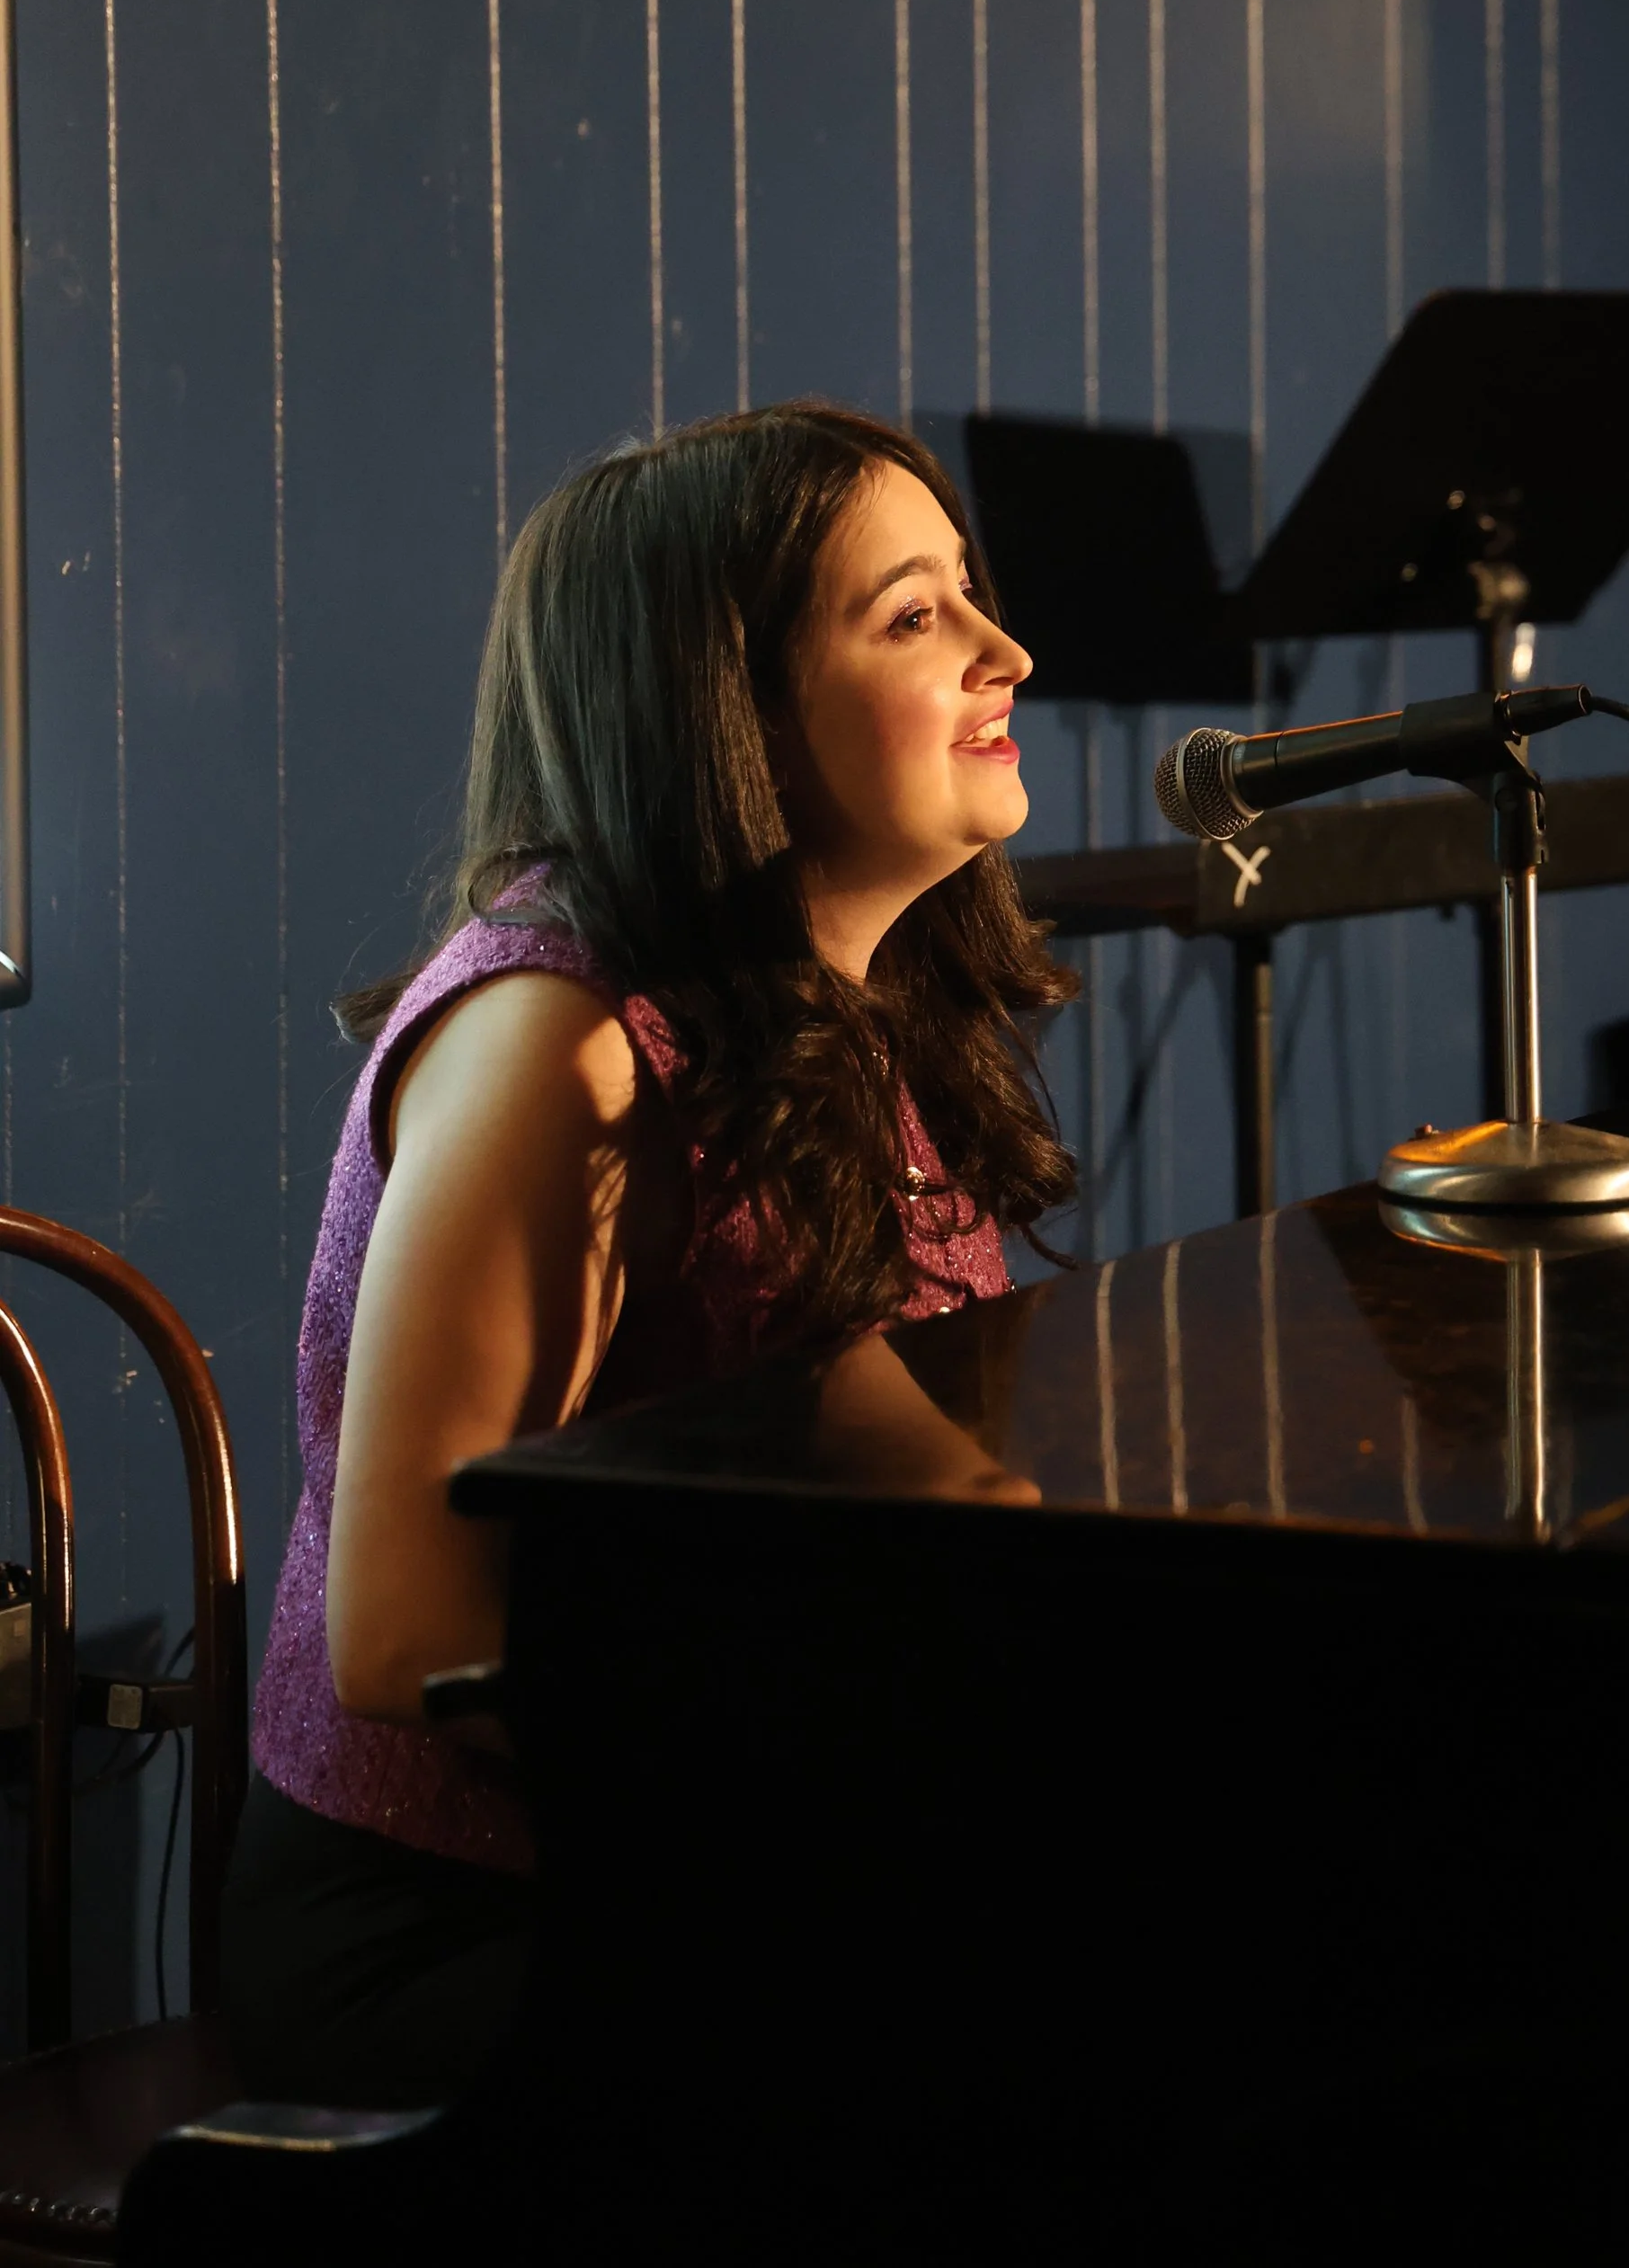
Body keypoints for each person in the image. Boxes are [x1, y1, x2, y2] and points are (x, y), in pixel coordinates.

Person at [222, 405, 1074, 2105]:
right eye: (915, 615)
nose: (1009, 651)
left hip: (705, 1847)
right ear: (726, 708)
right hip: (458, 1926)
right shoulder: (558, 1039)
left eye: (968, 595)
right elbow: (403, 1637)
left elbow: (889, 1454)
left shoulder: (831, 1006)